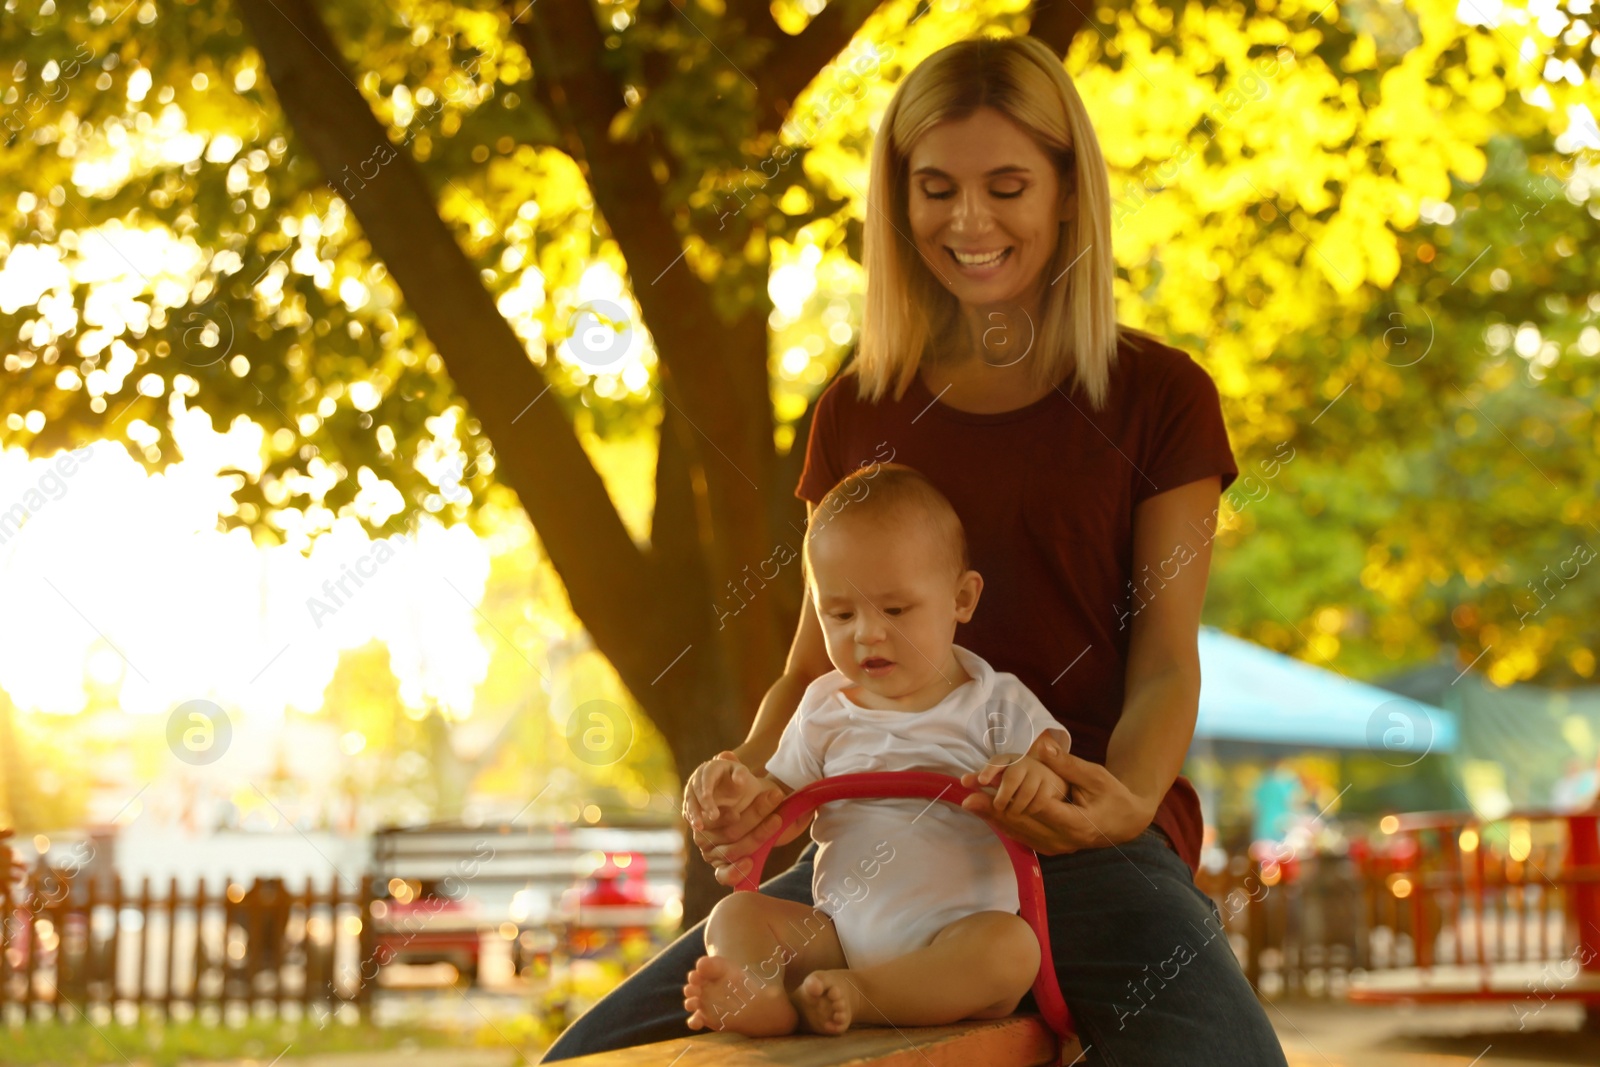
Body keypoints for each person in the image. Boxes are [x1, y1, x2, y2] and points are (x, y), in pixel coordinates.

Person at [541, 33, 1288, 1064]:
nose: (967, 220)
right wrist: (748, 780)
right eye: (934, 187)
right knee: (587, 1056)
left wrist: (1115, 802)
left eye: (1007, 185)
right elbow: (812, 667)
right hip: (870, 850)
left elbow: (1163, 657)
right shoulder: (856, 405)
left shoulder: (1159, 398)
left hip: (1069, 839)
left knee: (1222, 1056)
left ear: (1069, 193)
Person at [682, 463, 1072, 1036]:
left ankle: (861, 997)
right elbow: (781, 812)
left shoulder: (995, 703)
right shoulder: (824, 708)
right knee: (735, 912)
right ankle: (761, 998)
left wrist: (1033, 777)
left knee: (1012, 948)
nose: (866, 633)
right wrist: (744, 791)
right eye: (840, 613)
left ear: (962, 598)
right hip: (838, 938)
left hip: (954, 939)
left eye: (894, 610)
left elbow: (1056, 778)